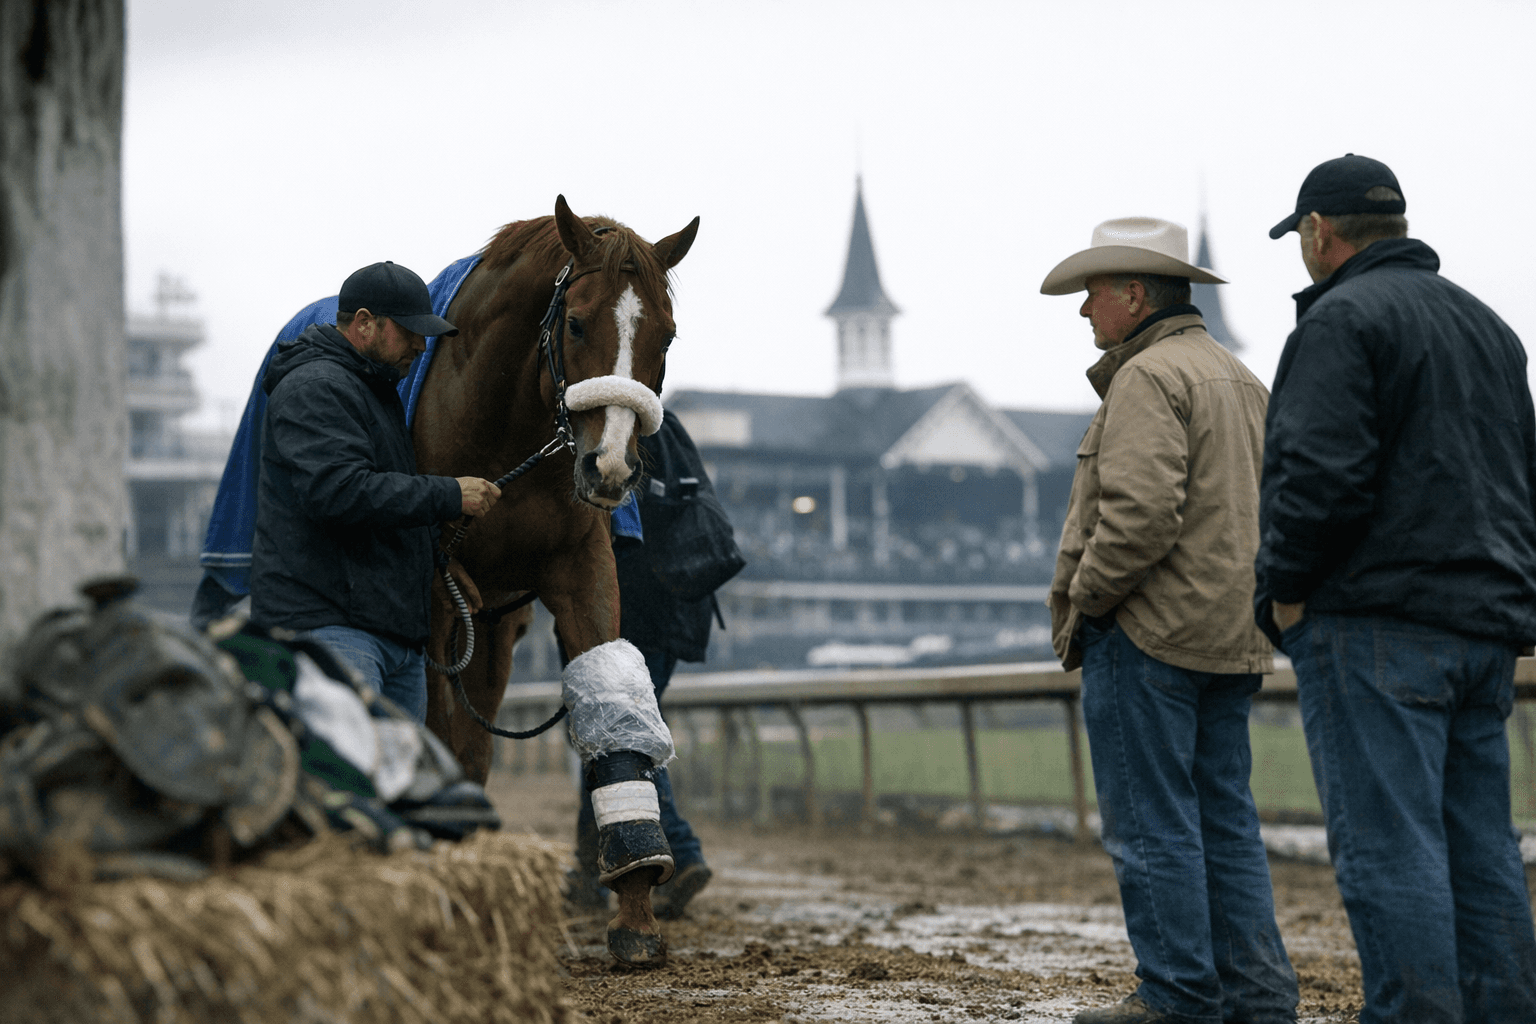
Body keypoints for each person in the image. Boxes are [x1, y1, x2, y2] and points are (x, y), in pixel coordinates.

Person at [1257, 154, 1536, 1023]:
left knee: (1390, 849)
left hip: (1376, 624)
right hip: (1485, 625)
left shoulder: (1340, 322)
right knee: (1482, 850)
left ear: (1317, 233)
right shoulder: (1492, 329)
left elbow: (1320, 479)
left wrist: (1283, 590)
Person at [1041, 218, 1298, 1024]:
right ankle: (1258, 997)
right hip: (1231, 636)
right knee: (1225, 822)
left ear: (1132, 293)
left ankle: (1177, 995)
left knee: (1152, 827)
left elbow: (1142, 516)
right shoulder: (1240, 377)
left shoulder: (1147, 379)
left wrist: (1089, 601)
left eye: (1092, 294)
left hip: (1148, 635)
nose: (1084, 311)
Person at [250, 261, 501, 724]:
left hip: (386, 634)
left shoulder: (372, 390)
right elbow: (339, 492)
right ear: (365, 323)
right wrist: (450, 495)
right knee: (349, 784)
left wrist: (438, 568)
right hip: (331, 631)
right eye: (409, 332)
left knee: (395, 786)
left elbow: (380, 506)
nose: (421, 346)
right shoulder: (317, 387)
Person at [567, 409, 743, 919]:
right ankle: (586, 872)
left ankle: (682, 852)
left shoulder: (621, 433)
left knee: (623, 736)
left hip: (644, 608)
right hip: (677, 607)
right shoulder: (662, 427)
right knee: (603, 740)